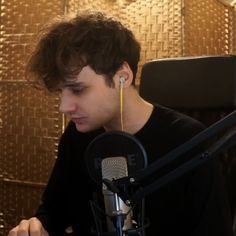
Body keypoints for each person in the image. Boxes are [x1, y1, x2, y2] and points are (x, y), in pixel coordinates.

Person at [8, 11, 233, 236]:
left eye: (77, 90)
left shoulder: (188, 140)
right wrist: (35, 227)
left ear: (122, 77)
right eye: (60, 92)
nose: (64, 107)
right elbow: (54, 212)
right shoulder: (78, 137)